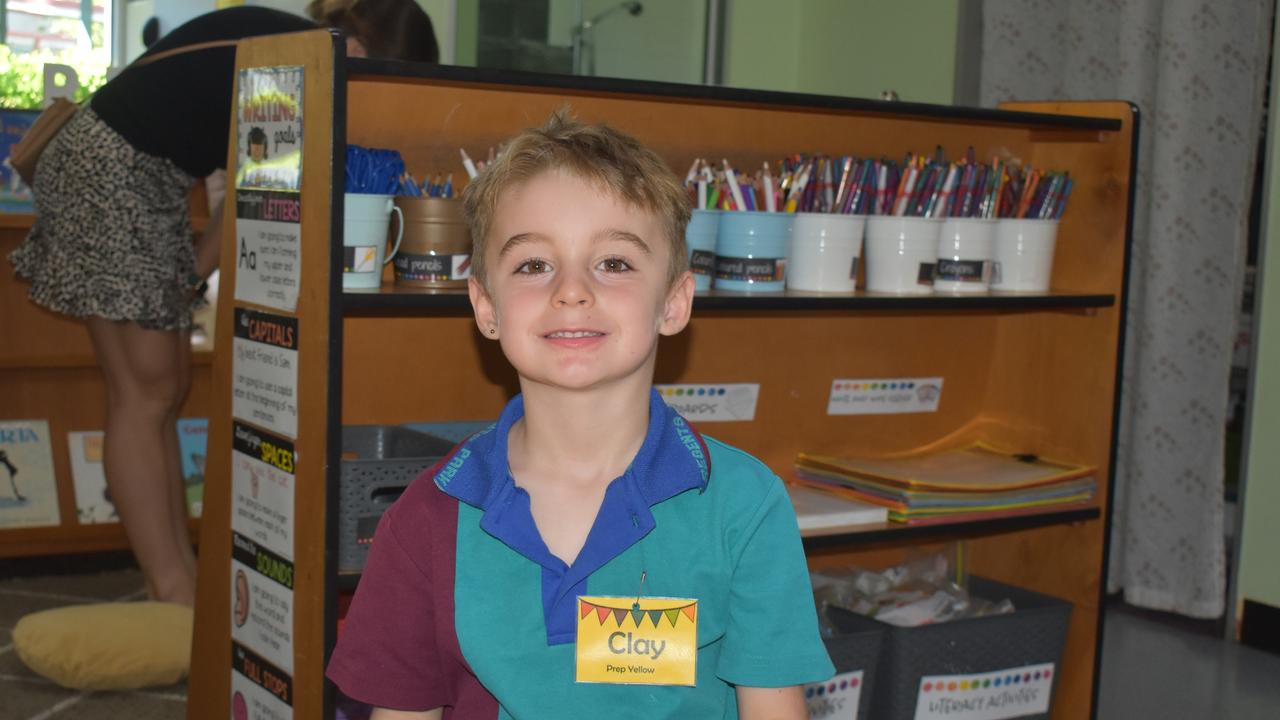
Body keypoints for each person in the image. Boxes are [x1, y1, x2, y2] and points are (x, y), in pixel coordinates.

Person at [326, 113, 834, 718]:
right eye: (533, 265)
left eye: (614, 263)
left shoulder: (745, 506)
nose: (571, 290)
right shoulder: (424, 521)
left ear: (673, 302)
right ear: (486, 306)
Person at [8, 2, 437, 608]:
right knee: (145, 392)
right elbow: (253, 189)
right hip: (112, 176)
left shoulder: (283, 41)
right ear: (362, 50)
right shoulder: (299, 59)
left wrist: (192, 272)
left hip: (123, 173)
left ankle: (176, 579)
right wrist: (194, 275)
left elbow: (236, 176)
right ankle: (171, 588)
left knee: (158, 389)